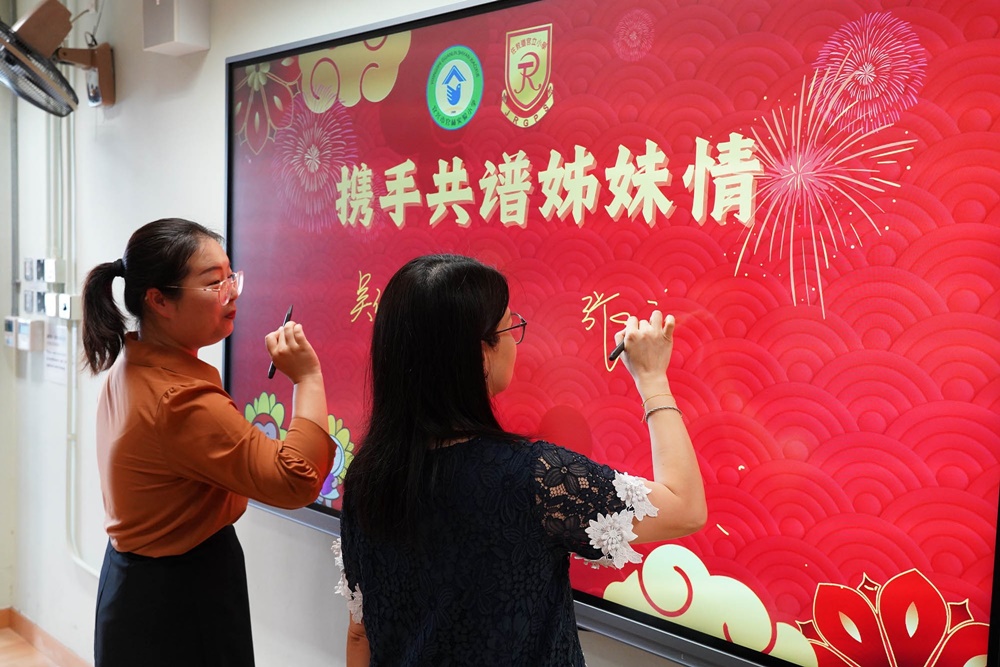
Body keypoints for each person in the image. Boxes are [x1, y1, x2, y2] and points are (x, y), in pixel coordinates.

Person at [335, 254, 707, 666]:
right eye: (509, 327)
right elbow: (685, 506)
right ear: (481, 356)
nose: (515, 339)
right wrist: (652, 378)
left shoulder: (367, 479)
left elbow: (359, 632)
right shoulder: (535, 480)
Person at [81, 218, 334, 667]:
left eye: (232, 277)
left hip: (138, 584)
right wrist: (308, 378)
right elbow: (296, 481)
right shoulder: (179, 400)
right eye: (214, 283)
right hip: (177, 599)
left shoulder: (136, 360)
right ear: (159, 300)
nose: (231, 293)